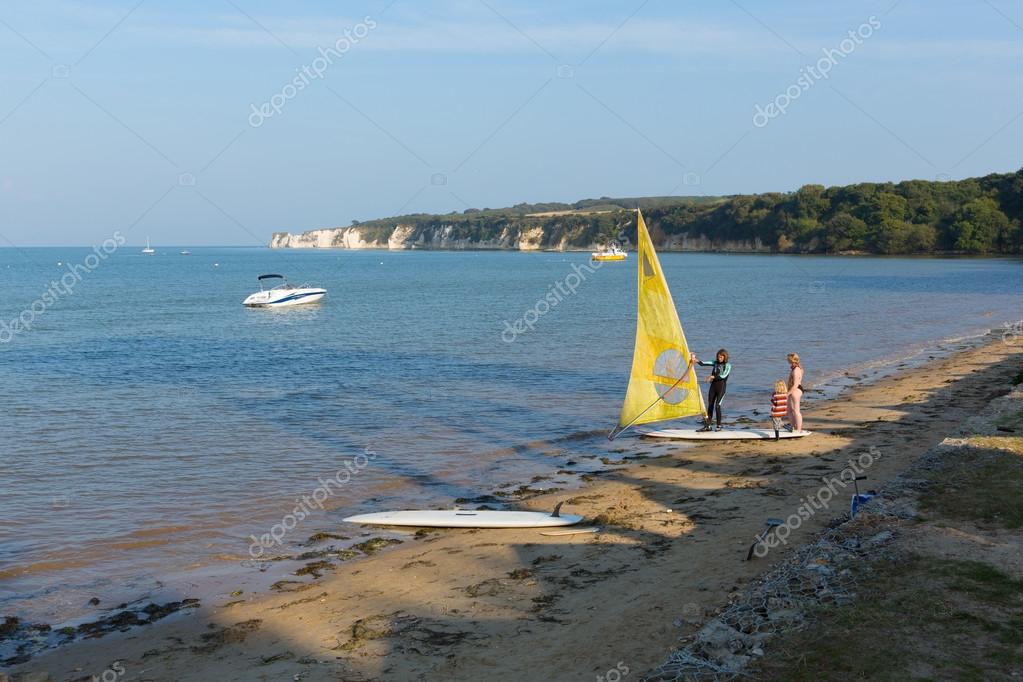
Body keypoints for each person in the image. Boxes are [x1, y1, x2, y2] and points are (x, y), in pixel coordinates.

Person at [692, 349, 731, 431]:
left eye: (721, 357)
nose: (719, 358)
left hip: (721, 387)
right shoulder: (715, 363)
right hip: (713, 387)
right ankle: (708, 426)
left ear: (724, 357)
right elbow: (703, 363)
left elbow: (723, 376)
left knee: (717, 406)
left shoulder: (728, 365)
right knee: (710, 405)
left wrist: (712, 377)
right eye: (718, 357)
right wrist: (695, 360)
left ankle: (719, 426)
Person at [787, 352, 804, 433]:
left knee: (796, 411)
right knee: (790, 410)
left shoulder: (796, 370)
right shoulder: (798, 368)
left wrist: (787, 394)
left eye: (788, 359)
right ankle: (794, 427)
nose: (787, 360)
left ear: (791, 360)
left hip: (795, 390)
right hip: (795, 390)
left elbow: (795, 385)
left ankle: (799, 429)